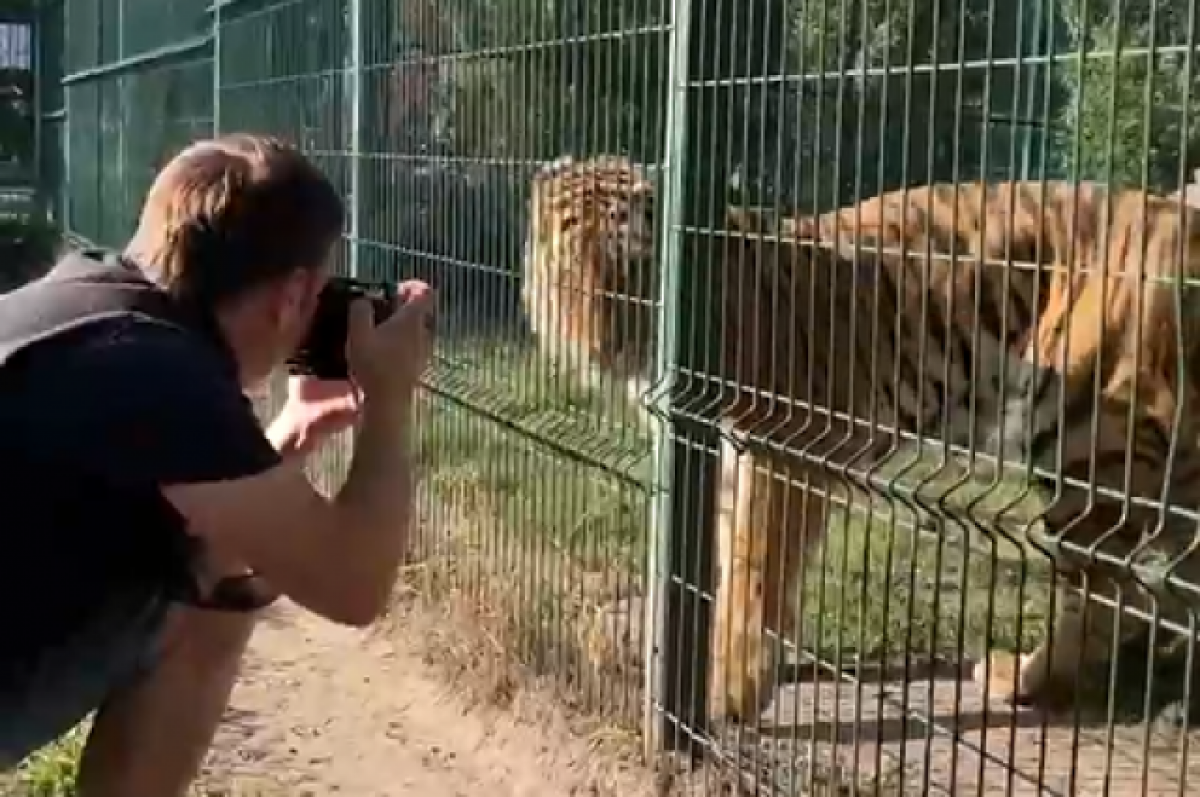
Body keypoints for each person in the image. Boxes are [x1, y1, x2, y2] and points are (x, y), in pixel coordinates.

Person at [0, 133, 434, 796]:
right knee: (210, 600)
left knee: (208, 565)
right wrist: (391, 400)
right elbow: (354, 584)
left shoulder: (87, 304)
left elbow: (206, 510)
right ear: (293, 295)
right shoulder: (161, 378)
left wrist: (295, 428)